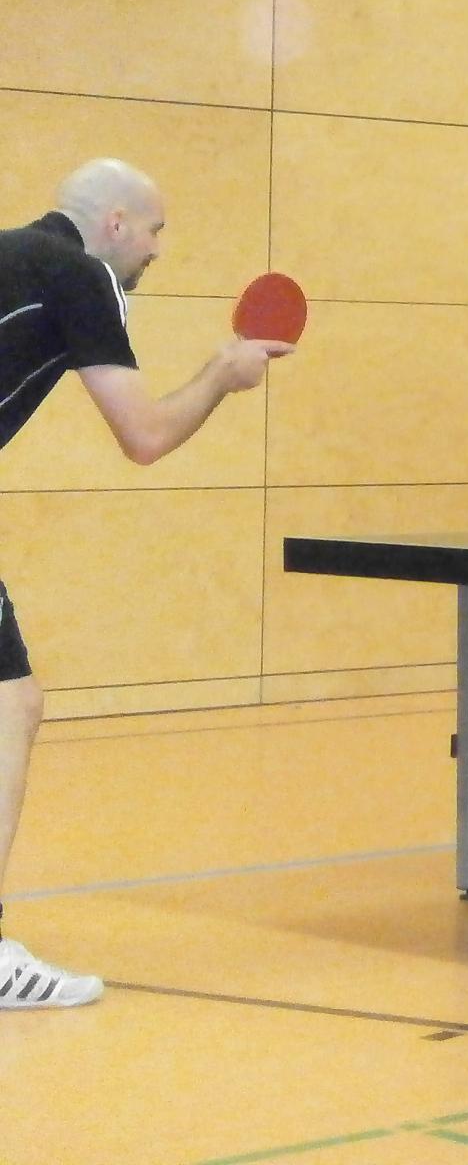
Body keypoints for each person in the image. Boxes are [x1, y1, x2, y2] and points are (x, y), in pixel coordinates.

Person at [0, 158, 291, 1007]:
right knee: (9, 705)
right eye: (155, 230)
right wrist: (222, 374)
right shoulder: (81, 276)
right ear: (115, 223)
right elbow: (146, 436)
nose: (159, 250)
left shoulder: (10, 254)